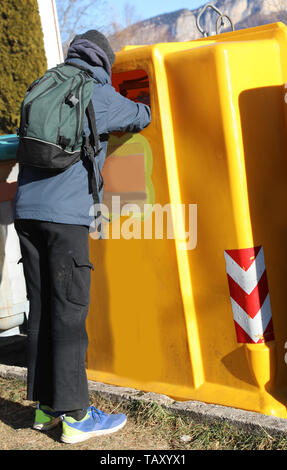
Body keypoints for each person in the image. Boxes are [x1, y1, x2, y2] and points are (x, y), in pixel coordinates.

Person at [14, 30, 151, 444]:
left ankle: (44, 406)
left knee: (41, 312)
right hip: (64, 219)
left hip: (26, 213)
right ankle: (76, 417)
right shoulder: (96, 91)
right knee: (70, 314)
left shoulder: (44, 83)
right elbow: (143, 115)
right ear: (104, 62)